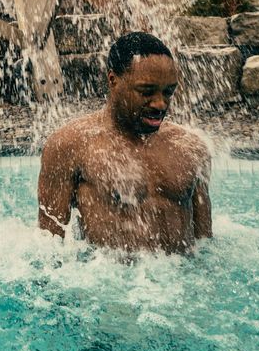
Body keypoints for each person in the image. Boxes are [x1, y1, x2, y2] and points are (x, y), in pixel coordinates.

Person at [37, 31, 212, 254]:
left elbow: (206, 245)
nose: (160, 104)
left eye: (168, 92)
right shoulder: (71, 145)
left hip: (180, 281)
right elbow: (48, 247)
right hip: (109, 284)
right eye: (146, 91)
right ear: (113, 80)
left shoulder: (190, 146)